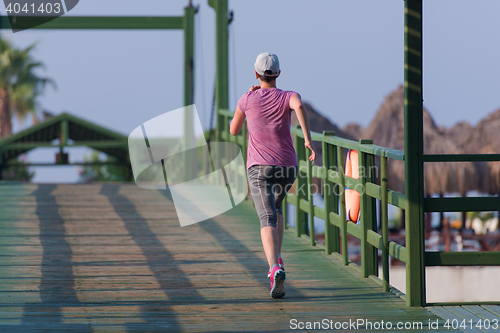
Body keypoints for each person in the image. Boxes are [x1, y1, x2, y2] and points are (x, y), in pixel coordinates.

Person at [230, 52, 316, 298]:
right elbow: (298, 105)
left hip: (259, 168)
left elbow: (233, 130)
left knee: (266, 217)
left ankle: (274, 268)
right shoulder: (290, 95)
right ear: (278, 73)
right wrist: (308, 140)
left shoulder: (247, 99)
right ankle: (277, 256)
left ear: (256, 74)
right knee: (275, 210)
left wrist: (250, 97)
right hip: (287, 168)